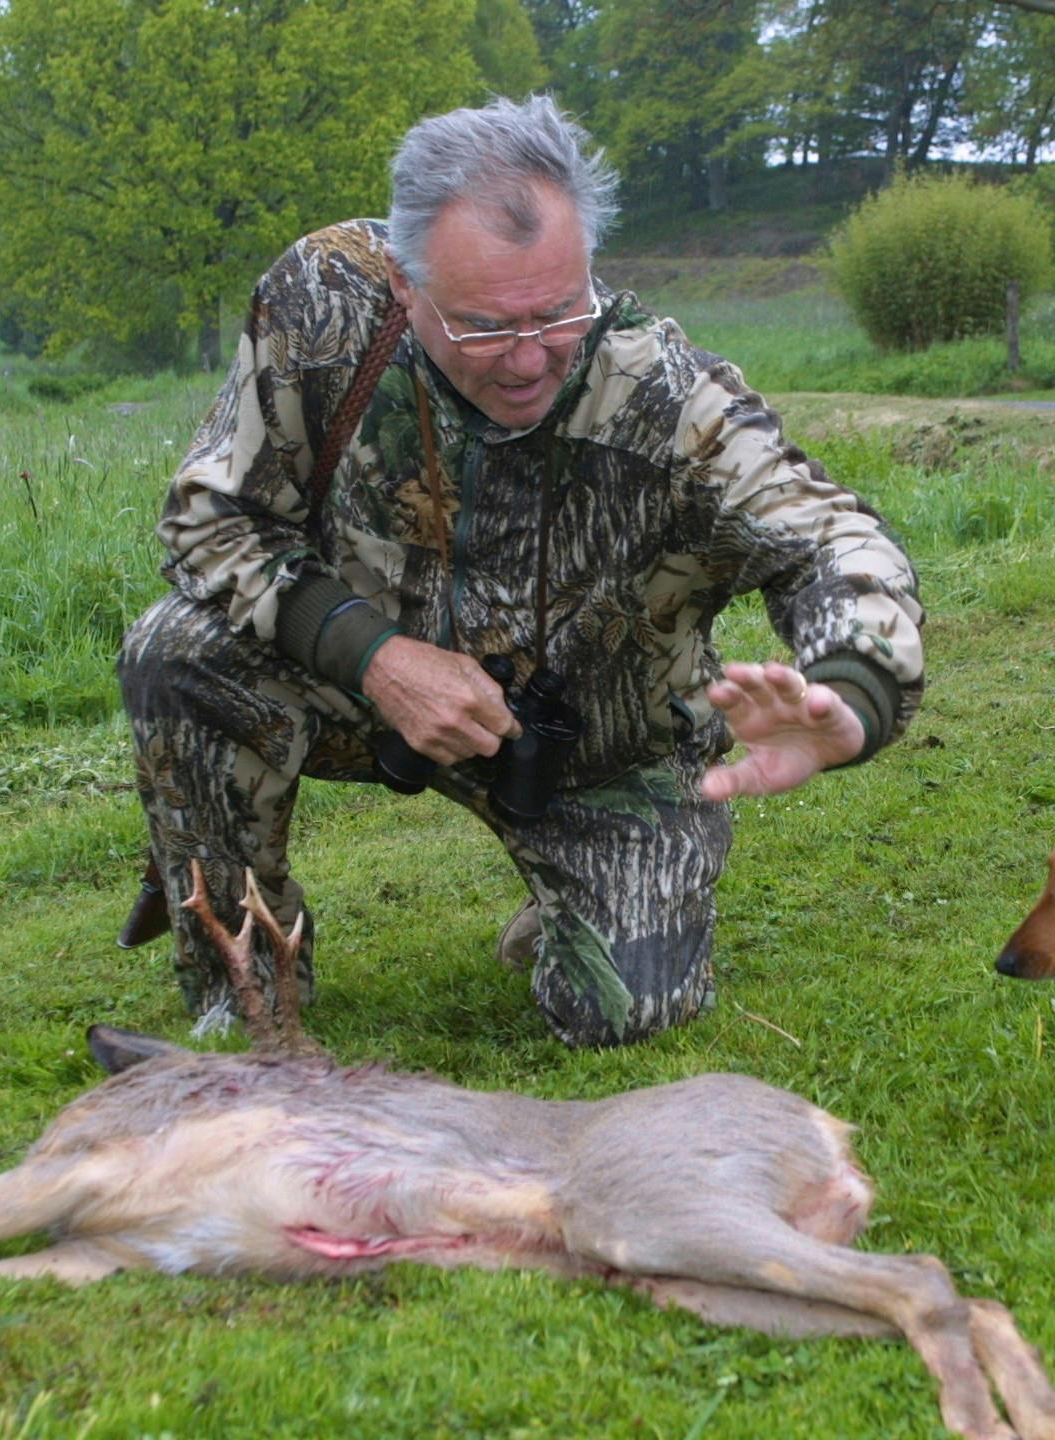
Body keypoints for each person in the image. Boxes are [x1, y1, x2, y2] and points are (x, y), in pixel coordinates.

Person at [117, 94, 923, 1047]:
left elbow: (837, 539)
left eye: (559, 311)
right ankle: (240, 984)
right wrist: (376, 657)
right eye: (486, 327)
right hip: (369, 693)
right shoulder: (327, 301)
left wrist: (852, 694)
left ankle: (581, 897)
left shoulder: (666, 396)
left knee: (628, 1010)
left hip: (596, 752)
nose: (531, 358)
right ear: (406, 286)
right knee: (176, 651)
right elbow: (210, 519)